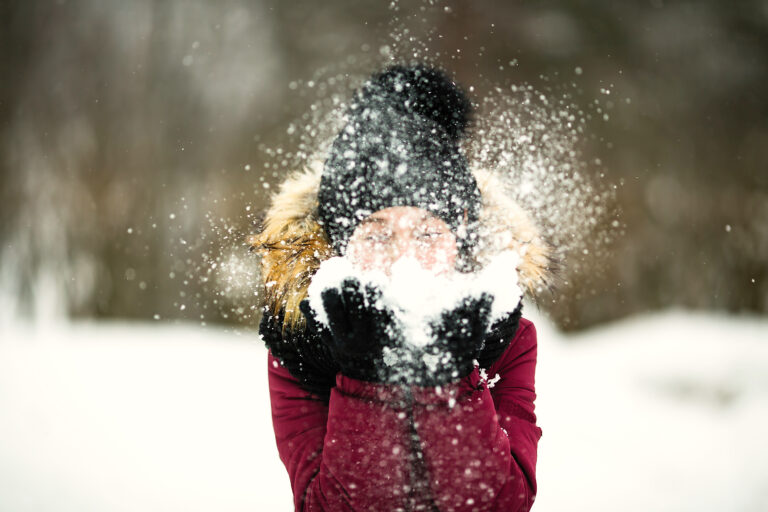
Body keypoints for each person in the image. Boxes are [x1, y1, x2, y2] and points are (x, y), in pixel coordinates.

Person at [252, 64, 549, 511]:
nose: (404, 257)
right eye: (376, 233)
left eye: (429, 232)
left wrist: (447, 381)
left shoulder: (506, 335)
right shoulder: (300, 343)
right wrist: (366, 376)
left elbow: (501, 503)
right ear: (338, 244)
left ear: (461, 239)